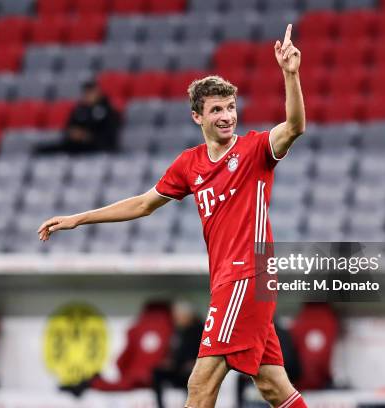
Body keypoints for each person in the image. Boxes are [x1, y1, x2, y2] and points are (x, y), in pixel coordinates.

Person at [38, 24, 307, 408]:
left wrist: (290, 74)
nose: (227, 116)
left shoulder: (254, 150)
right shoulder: (189, 163)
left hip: (248, 273)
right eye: (217, 110)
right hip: (228, 280)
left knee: (200, 386)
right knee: (272, 387)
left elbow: (295, 126)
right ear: (198, 117)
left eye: (231, 107)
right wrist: (79, 218)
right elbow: (143, 203)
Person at [36, 80, 120, 154]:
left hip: (98, 147)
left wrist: (87, 136)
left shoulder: (108, 111)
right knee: (42, 150)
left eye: (90, 92)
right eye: (85, 92)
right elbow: (69, 129)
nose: (87, 95)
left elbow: (110, 135)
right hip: (77, 146)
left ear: (98, 93)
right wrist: (73, 134)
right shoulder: (80, 110)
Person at [153, 301, 204, 408]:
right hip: (178, 368)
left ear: (188, 315)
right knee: (157, 373)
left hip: (194, 369)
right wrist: (170, 362)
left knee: (190, 375)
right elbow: (177, 352)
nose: (177, 319)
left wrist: (195, 363)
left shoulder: (201, 330)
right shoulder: (178, 330)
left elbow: (205, 353)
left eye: (179, 316)